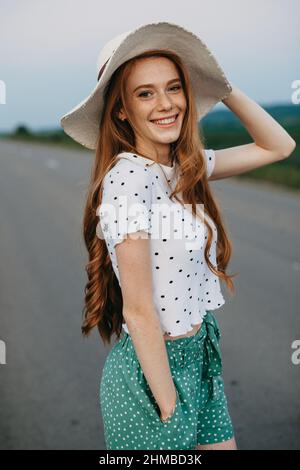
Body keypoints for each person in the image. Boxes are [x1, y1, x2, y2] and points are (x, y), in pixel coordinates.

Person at [60, 22, 296, 451]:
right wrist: (169, 404)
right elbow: (138, 311)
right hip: (152, 378)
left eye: (174, 88)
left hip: (199, 357)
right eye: (145, 93)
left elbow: (277, 147)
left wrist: (221, 86)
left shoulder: (186, 167)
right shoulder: (127, 181)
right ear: (121, 110)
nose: (166, 104)